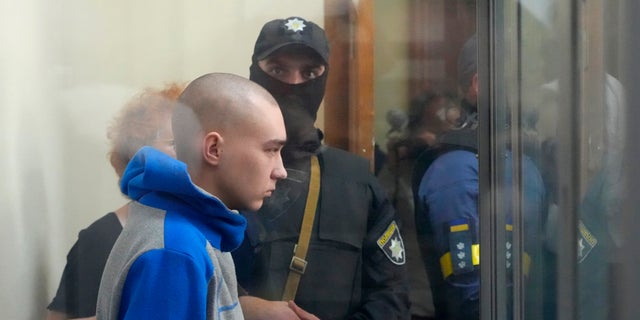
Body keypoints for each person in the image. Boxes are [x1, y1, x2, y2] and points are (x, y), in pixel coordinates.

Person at [232, 16, 411, 320]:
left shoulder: (356, 183)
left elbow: (391, 296)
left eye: (310, 72)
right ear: (253, 74)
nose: (293, 84)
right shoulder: (216, 170)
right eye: (277, 70)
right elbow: (186, 288)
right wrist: (242, 310)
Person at [95, 73, 288, 320]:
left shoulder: (197, 230)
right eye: (271, 150)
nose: (280, 171)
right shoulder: (175, 252)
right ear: (214, 149)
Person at [412, 35, 546, 319]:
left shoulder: (522, 160)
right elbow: (470, 292)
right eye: (516, 81)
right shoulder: (457, 170)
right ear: (480, 84)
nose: (527, 93)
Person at [45, 83, 184, 320]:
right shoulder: (102, 239)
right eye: (175, 143)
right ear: (137, 155)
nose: (192, 154)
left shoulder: (205, 231)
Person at [378, 90, 460, 320]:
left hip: (462, 295)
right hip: (417, 298)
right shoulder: (404, 169)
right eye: (431, 130)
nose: (435, 140)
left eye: (445, 131)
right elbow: (378, 211)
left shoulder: (461, 169)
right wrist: (395, 165)